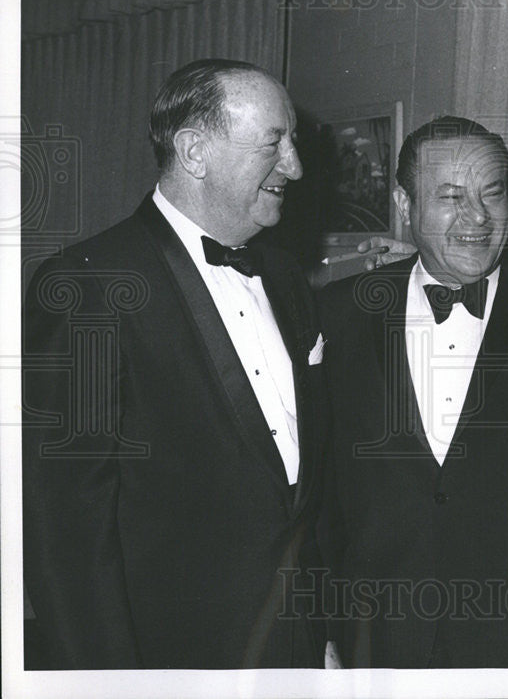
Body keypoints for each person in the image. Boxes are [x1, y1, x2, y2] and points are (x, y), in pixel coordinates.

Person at [22, 59, 328, 669]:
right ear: (193, 151)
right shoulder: (90, 285)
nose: (295, 165)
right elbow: (67, 530)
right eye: (275, 142)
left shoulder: (288, 278)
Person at [316, 117, 508, 668]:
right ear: (404, 201)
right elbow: (319, 497)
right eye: (450, 196)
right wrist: (318, 631)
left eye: (492, 194)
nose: (478, 217)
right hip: (374, 647)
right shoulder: (338, 312)